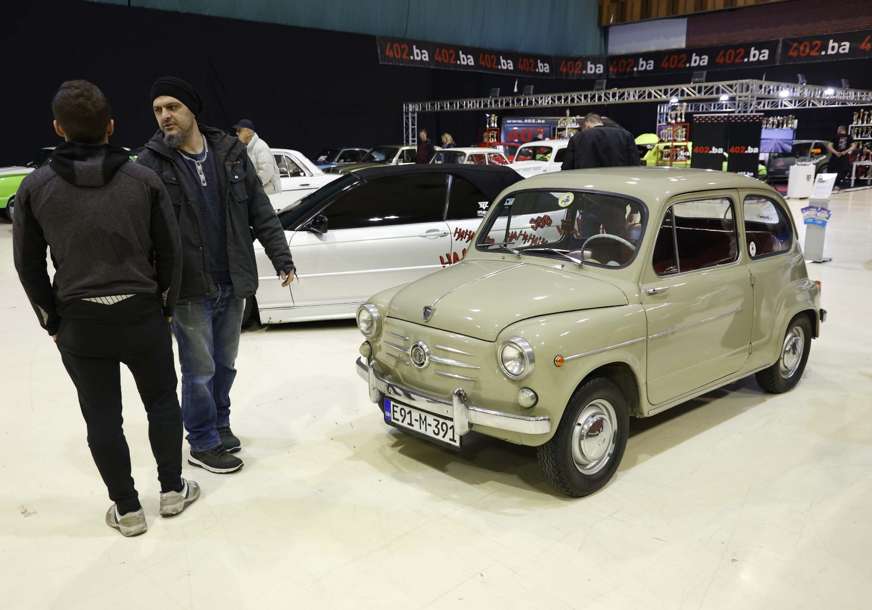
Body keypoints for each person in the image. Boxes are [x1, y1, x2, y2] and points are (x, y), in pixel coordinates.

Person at [13, 80, 199, 537]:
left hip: (80, 321)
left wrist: (50, 320)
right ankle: (172, 492)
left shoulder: (35, 187)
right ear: (111, 126)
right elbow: (171, 253)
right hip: (141, 314)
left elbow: (27, 263)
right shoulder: (145, 179)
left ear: (58, 128)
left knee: (101, 416)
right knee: (160, 402)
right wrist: (166, 307)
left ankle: (128, 510)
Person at [138, 76, 295, 474]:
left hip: (232, 279)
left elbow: (259, 209)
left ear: (192, 109)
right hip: (189, 287)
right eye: (158, 110)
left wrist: (282, 258)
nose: (165, 116)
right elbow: (144, 234)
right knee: (198, 370)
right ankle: (203, 441)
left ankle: (220, 424)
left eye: (172, 107)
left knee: (225, 364)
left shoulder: (228, 151)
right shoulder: (152, 163)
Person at [561, 113, 640, 170]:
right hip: (618, 185)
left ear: (587, 124)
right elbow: (635, 163)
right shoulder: (625, 135)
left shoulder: (577, 138)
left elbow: (567, 167)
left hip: (587, 187)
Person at [234, 119, 282, 194]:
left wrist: (251, 186)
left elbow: (267, 171)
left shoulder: (260, 147)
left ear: (249, 132)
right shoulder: (247, 148)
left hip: (269, 194)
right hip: (259, 193)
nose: (237, 133)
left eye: (239, 130)